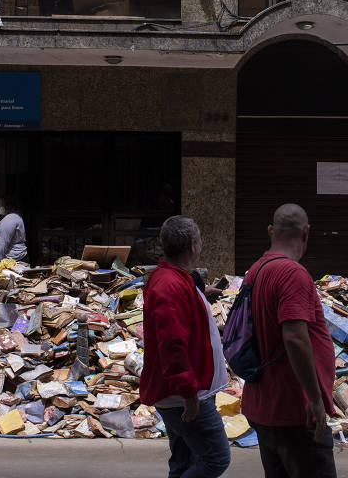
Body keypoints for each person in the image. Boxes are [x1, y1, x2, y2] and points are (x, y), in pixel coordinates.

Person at [242, 203, 337, 478]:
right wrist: (315, 398)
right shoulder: (292, 274)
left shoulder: (256, 270)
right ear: (306, 234)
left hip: (264, 406)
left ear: (271, 231)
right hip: (294, 410)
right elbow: (295, 338)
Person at [140, 215, 230, 478]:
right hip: (185, 397)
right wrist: (190, 395)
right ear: (193, 245)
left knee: (184, 460)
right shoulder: (170, 285)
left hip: (182, 393)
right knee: (216, 459)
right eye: (200, 238)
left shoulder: (175, 279)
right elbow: (173, 346)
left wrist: (202, 291)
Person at [0, 197, 28, 263]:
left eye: (1, 204)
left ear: (8, 205)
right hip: (6, 259)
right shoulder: (9, 218)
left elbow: (3, 242)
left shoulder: (11, 218)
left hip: (12, 260)